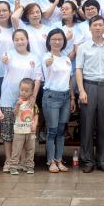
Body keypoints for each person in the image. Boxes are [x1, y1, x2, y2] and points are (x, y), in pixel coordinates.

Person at [75, 16, 104, 173]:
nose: (98, 27)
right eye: (95, 25)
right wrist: (81, 90)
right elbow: (78, 69)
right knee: (87, 124)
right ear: (90, 28)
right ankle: (87, 160)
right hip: (89, 86)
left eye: (101, 25)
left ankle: (103, 160)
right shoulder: (83, 47)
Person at [0, 29, 42, 173]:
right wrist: (4, 60)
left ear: (27, 40)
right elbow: (3, 62)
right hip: (8, 98)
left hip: (27, 102)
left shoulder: (34, 58)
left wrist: (33, 97)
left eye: (22, 39)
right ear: (13, 41)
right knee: (8, 132)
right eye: (16, 39)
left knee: (24, 132)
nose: (19, 42)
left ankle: (23, 162)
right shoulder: (8, 54)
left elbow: (37, 79)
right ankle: (9, 161)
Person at [42, 29, 74, 173]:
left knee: (61, 131)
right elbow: (47, 66)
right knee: (52, 131)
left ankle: (59, 160)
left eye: (60, 39)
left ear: (64, 41)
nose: (57, 42)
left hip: (65, 97)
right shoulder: (46, 57)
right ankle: (51, 161)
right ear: (49, 41)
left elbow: (69, 79)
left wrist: (72, 97)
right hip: (51, 96)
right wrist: (48, 63)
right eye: (53, 39)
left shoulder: (66, 58)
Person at [8, 78, 38, 175]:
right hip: (19, 131)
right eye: (22, 90)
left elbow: (36, 114)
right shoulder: (17, 101)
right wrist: (18, 105)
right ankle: (13, 166)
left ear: (31, 92)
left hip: (30, 131)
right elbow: (14, 113)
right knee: (16, 150)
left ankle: (29, 166)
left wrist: (35, 125)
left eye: (26, 91)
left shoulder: (32, 103)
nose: (23, 92)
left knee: (30, 149)